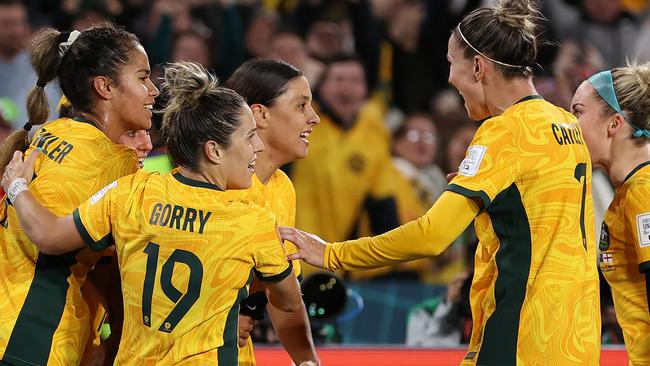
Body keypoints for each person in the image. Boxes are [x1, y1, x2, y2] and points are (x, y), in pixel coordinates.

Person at [280, 1, 601, 365]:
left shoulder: (504, 131)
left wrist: (332, 253)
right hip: (577, 338)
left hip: (524, 335)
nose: (449, 78)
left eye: (452, 63)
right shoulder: (565, 125)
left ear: (478, 67)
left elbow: (432, 236)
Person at [1, 61, 305, 364]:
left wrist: (16, 188)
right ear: (213, 151)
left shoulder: (130, 192)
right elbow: (289, 301)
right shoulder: (252, 221)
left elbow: (49, 236)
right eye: (249, 137)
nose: (258, 148)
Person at [0, 23, 158, 366]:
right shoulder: (110, 161)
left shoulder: (53, 133)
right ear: (104, 87)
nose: (153, 90)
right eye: (143, 78)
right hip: (37, 335)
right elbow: (51, 239)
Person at [223, 58, 320, 366]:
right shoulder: (217, 183)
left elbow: (283, 293)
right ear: (260, 115)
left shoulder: (281, 188)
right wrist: (223, 320)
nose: (314, 118)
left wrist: (308, 361)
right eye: (301, 106)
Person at [571, 62, 650, 364]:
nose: (570, 124)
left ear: (614, 124)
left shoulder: (644, 191)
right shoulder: (628, 193)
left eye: (577, 112)